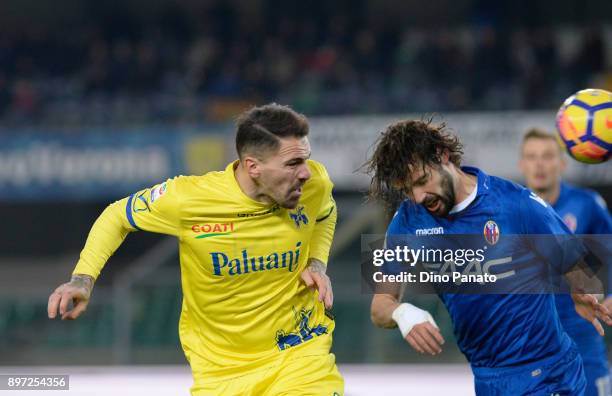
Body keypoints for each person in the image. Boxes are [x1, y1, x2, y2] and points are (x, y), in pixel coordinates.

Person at [47, 103, 344, 396]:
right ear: (253, 166)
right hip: (220, 372)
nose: (305, 173)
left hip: (300, 353)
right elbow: (116, 216)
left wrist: (317, 264)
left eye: (305, 159)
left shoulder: (314, 184)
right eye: (293, 164)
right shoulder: (189, 199)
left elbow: (324, 214)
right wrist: (83, 280)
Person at [364, 119, 612, 396]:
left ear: (443, 155)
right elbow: (380, 305)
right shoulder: (406, 223)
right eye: (408, 189)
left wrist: (582, 290)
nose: (419, 196)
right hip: (486, 380)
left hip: (546, 374)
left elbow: (576, 261)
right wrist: (402, 313)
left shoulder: (515, 203)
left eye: (422, 181)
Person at [519, 128, 612, 396]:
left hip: (582, 332)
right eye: (532, 156)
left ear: (562, 162)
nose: (539, 164)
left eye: (547, 156)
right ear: (521, 165)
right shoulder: (509, 209)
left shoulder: (587, 204)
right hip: (529, 341)